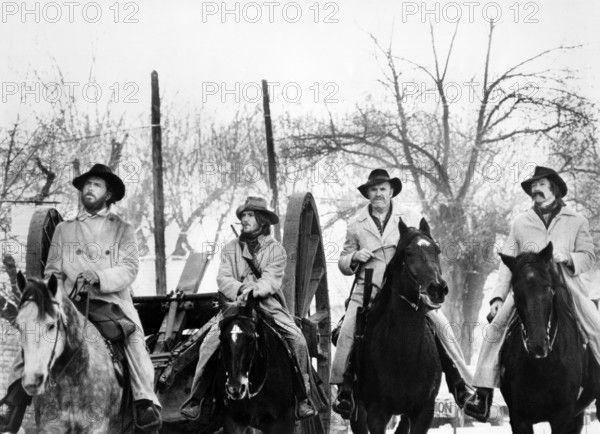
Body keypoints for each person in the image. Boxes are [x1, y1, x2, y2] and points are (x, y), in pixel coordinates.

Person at [0, 164, 162, 433]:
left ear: (109, 194)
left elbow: (130, 268)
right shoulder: (64, 229)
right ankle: (14, 400)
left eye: (96, 185)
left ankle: (145, 401)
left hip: (112, 304)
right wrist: (60, 297)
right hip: (70, 303)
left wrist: (98, 277)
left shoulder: (123, 229)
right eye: (86, 184)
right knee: (36, 330)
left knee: (134, 341)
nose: (89, 189)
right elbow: (52, 272)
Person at [332, 169, 473, 417]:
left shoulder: (410, 217)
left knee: (441, 326)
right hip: (368, 288)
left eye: (382, 189)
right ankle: (344, 390)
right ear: (368, 194)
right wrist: (354, 257)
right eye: (373, 190)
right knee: (347, 332)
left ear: (391, 191)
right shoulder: (356, 224)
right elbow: (343, 261)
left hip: (405, 288)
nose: (378, 194)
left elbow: (424, 252)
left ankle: (460, 384)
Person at [465, 166, 600, 421]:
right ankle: (483, 395)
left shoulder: (577, 220)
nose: (535, 190)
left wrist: (569, 257)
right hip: (528, 285)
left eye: (541, 185)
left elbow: (589, 257)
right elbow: (508, 264)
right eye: (533, 187)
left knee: (596, 326)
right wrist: (497, 298)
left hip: (564, 284)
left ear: (554, 188)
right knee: (494, 330)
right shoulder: (521, 221)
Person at [181, 196, 317, 420]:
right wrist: (241, 289)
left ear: (262, 220)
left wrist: (254, 291)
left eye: (249, 215)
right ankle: (197, 398)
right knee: (208, 343)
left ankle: (302, 397)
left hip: (267, 304)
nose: (244, 219)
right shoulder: (230, 249)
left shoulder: (276, 250)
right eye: (243, 215)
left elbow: (272, 279)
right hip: (234, 306)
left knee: (297, 339)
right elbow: (223, 277)